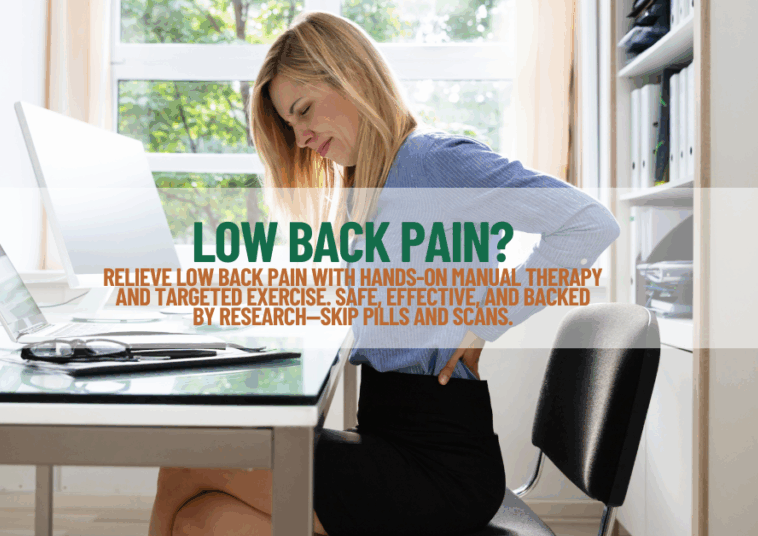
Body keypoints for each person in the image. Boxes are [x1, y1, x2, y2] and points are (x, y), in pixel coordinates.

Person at [149, 12, 620, 536]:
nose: (301, 137)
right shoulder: (363, 190)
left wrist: (489, 319)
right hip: (386, 438)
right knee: (203, 520)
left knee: (191, 457)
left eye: (303, 111)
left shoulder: (433, 163)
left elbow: (587, 222)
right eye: (289, 124)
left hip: (439, 467)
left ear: (351, 75)